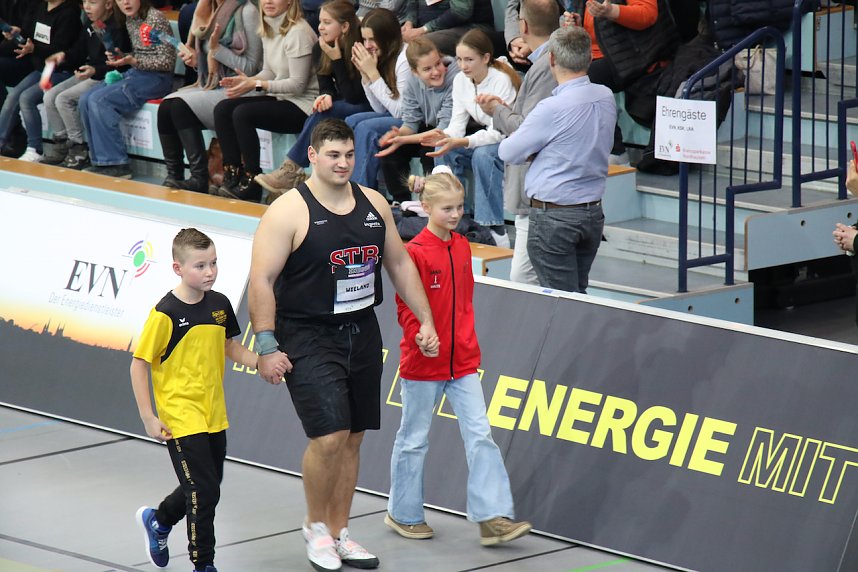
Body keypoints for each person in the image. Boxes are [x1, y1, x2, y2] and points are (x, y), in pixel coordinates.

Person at [247, 118, 439, 572]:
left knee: (352, 438)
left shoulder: (373, 203)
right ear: (312, 156)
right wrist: (267, 344)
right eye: (333, 155)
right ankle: (315, 528)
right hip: (306, 334)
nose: (343, 163)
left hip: (361, 330)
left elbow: (399, 264)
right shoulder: (287, 211)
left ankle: (339, 532)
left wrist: (425, 319)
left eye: (349, 155)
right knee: (328, 436)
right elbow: (261, 279)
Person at [385, 168, 533, 546]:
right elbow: (406, 309)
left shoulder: (463, 246)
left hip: (462, 362)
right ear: (426, 207)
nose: (455, 215)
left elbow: (463, 303)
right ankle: (402, 513)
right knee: (414, 438)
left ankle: (491, 517)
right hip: (423, 364)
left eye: (460, 207)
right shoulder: (414, 253)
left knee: (481, 435)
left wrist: (463, 343)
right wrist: (421, 334)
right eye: (447, 208)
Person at [130, 228, 282, 572]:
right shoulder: (165, 313)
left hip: (213, 412)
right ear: (178, 269)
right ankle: (204, 564)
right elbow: (139, 364)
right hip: (180, 416)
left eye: (213, 263)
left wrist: (260, 361)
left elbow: (229, 346)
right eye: (200, 265)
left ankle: (159, 519)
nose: (210, 271)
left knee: (206, 487)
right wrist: (148, 417)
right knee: (203, 493)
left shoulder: (220, 304)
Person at [498, 25, 615, 294]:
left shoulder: (551, 108)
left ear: (551, 59)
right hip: (591, 213)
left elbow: (508, 152)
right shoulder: (606, 96)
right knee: (576, 293)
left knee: (562, 301)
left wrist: (536, 150)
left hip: (555, 217)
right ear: (589, 58)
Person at [255, 0, 370, 202]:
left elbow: (354, 96)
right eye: (320, 22)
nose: (320, 27)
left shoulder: (359, 48)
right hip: (341, 104)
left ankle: (291, 169)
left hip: (367, 104)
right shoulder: (320, 48)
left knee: (325, 112)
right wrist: (326, 95)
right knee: (321, 110)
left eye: (327, 22)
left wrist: (337, 60)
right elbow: (325, 84)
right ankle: (306, 177)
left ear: (344, 27)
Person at [477, 0, 558, 284]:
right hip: (538, 194)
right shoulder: (545, 62)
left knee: (523, 281)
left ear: (523, 26)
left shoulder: (546, 66)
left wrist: (496, 111)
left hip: (536, 195)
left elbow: (526, 130)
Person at [213, 0, 319, 202]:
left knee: (243, 114)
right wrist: (248, 81)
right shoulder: (270, 26)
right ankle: (232, 175)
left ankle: (252, 181)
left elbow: (298, 85)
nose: (268, 2)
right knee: (223, 109)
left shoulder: (298, 32)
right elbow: (270, 71)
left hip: (305, 105)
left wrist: (256, 85)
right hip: (283, 98)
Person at [156, 0, 263, 193]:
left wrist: (217, 50)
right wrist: (197, 60)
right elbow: (209, 62)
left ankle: (199, 179)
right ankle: (174, 175)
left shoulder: (247, 12)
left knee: (179, 105)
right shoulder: (206, 11)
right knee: (165, 108)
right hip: (213, 83)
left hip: (242, 87)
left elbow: (251, 67)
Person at [427, 28, 519, 247]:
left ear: (486, 58)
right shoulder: (460, 80)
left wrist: (464, 141)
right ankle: (457, 218)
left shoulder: (502, 80)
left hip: (510, 142)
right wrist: (445, 137)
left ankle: (492, 226)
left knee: (483, 155)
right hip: (485, 138)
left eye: (469, 59)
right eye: (459, 59)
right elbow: (457, 125)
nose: (463, 65)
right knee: (445, 148)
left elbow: (500, 132)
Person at [79, 0, 177, 179]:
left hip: (157, 78)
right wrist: (123, 57)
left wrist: (133, 61)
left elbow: (166, 61)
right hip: (138, 72)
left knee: (100, 100)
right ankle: (100, 160)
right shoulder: (130, 18)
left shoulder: (155, 18)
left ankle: (116, 163)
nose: (125, 2)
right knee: (85, 99)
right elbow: (141, 53)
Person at [40, 0, 132, 168]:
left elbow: (122, 64)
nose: (87, 7)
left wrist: (95, 71)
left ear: (108, 5)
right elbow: (78, 51)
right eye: (85, 2)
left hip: (107, 76)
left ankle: (78, 148)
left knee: (64, 99)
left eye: (93, 2)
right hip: (90, 72)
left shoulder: (118, 29)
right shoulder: (90, 25)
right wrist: (63, 55)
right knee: (49, 96)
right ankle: (61, 143)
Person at [375, 36, 458, 204]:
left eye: (438, 63)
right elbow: (411, 122)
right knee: (392, 149)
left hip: (453, 130)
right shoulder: (412, 81)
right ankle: (402, 202)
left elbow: (442, 130)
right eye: (427, 69)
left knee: (429, 150)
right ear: (415, 72)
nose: (436, 71)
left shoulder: (455, 77)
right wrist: (400, 135)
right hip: (429, 128)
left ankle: (431, 202)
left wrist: (404, 138)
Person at [0, 0, 81, 162]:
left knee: (26, 98)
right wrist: (18, 33)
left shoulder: (69, 13)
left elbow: (60, 48)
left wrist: (34, 49)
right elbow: (32, 34)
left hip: (60, 71)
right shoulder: (40, 7)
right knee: (13, 96)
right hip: (41, 69)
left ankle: (35, 148)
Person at [345, 7, 408, 192]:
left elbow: (400, 111)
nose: (367, 45)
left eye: (372, 39)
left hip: (413, 121)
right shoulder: (383, 55)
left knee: (366, 127)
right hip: (396, 114)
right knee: (351, 121)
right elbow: (379, 109)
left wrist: (373, 74)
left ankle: (359, 192)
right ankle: (345, 184)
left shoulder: (404, 59)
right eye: (364, 39)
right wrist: (366, 76)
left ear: (387, 37)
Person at [400, 0, 495, 56]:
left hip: (469, 27)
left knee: (424, 45)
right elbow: (412, 2)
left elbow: (460, 12)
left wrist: (424, 30)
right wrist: (409, 22)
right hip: (428, 27)